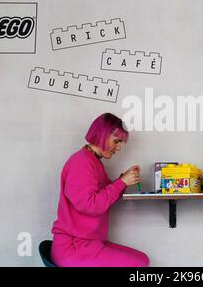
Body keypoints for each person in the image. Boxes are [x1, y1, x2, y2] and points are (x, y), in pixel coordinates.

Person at [50, 113, 149, 267]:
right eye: (116, 141)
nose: (119, 148)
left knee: (143, 260)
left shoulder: (94, 162)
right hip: (74, 247)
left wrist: (122, 181)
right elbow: (91, 205)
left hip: (91, 243)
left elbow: (105, 198)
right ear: (102, 136)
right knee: (137, 265)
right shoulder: (81, 162)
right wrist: (121, 182)